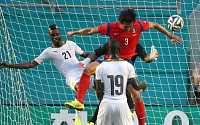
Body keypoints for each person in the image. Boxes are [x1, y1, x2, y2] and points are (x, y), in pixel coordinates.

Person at [65, 8, 183, 125]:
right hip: (109, 60)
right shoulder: (111, 26)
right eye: (126, 27)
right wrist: (75, 32)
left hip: (125, 63)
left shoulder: (139, 25)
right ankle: (79, 102)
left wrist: (170, 35)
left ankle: (141, 123)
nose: (129, 29)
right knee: (87, 70)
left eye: (131, 26)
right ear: (120, 23)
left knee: (136, 95)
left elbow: (155, 25)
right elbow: (91, 30)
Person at [0, 24, 94, 125]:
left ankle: (92, 115)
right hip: (71, 76)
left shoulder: (71, 43)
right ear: (50, 37)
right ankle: (78, 120)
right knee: (79, 86)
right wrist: (10, 66)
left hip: (83, 71)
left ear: (60, 34)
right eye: (53, 35)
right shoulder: (49, 52)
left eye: (57, 34)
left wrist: (99, 61)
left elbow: (86, 55)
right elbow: (31, 64)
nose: (55, 37)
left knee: (100, 85)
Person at [86, 42, 158, 125]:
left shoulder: (100, 67)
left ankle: (91, 120)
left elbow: (99, 92)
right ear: (120, 50)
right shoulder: (127, 65)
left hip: (107, 103)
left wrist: (85, 61)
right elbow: (136, 86)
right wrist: (142, 85)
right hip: (122, 103)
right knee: (134, 93)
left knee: (133, 94)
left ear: (108, 51)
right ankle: (133, 114)